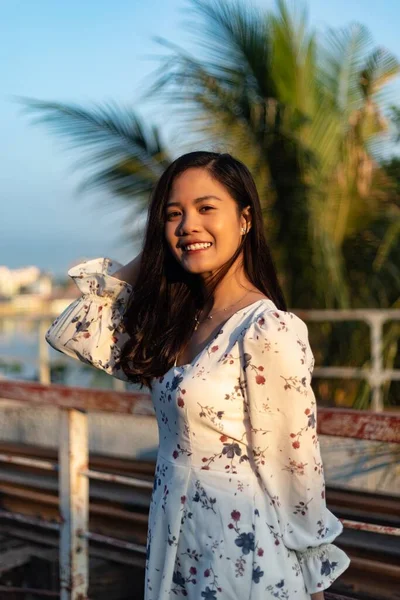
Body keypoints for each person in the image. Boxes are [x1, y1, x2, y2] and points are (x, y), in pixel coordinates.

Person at [46, 151, 350, 600]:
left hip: (244, 555)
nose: (188, 224)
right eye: (174, 214)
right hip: (177, 540)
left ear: (245, 219)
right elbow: (73, 331)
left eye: (206, 208)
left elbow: (296, 471)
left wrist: (313, 581)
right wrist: (155, 251)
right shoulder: (177, 323)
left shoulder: (267, 330)